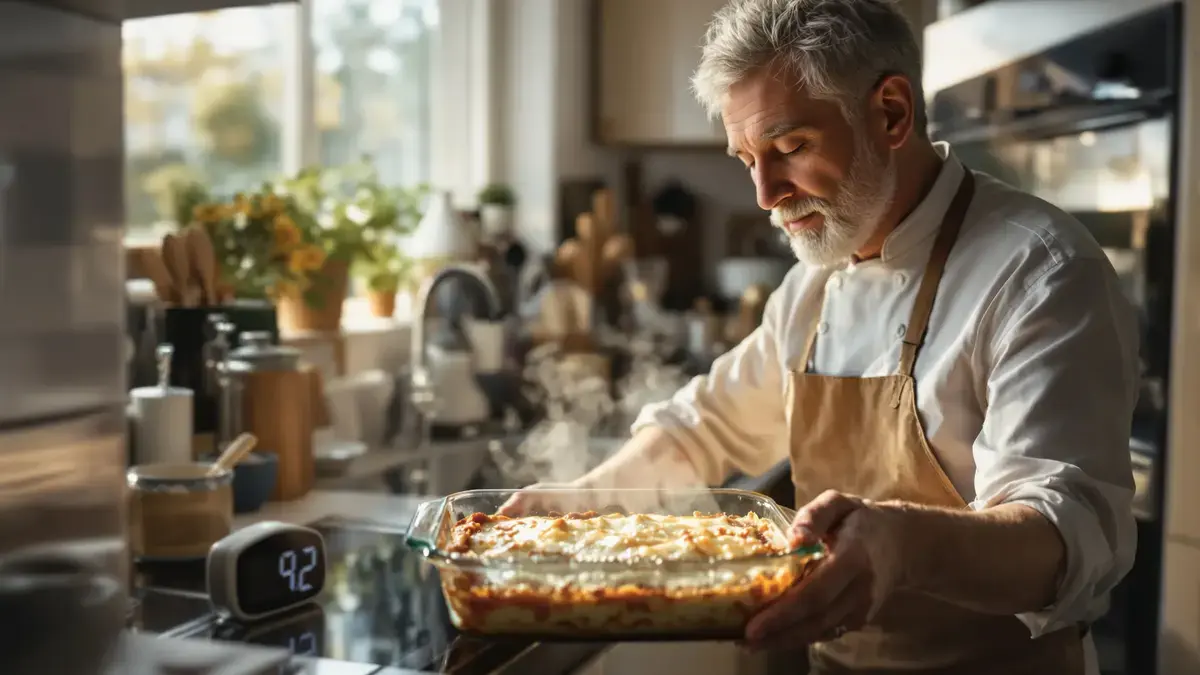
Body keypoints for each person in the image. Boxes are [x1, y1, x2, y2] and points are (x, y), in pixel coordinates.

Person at [508, 1, 1137, 672]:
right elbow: (707, 425)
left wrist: (902, 544)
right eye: (746, 158)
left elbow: (1065, 539)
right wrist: (582, 502)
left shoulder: (1037, 270)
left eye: (788, 148)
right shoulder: (817, 281)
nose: (764, 193)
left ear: (891, 113)